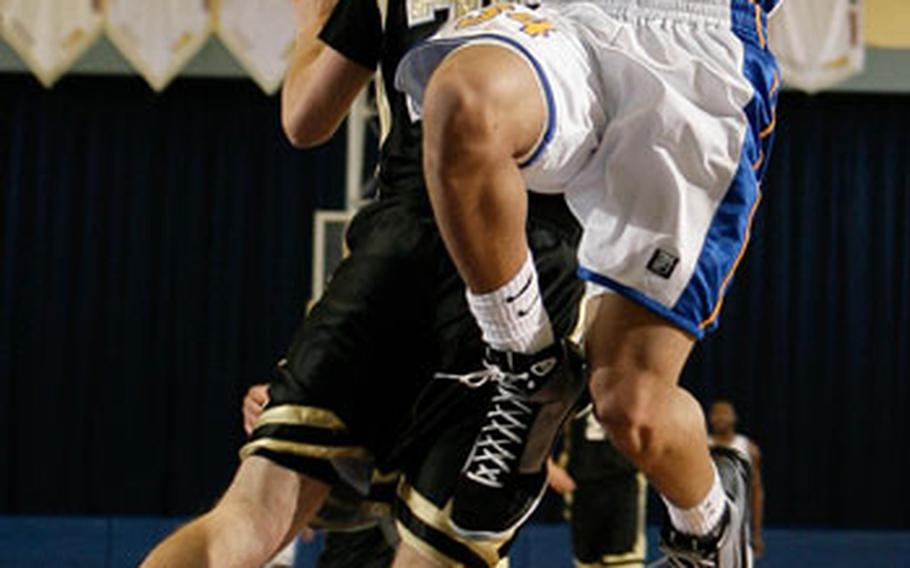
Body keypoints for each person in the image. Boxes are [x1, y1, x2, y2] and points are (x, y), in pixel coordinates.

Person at [141, 0, 584, 566]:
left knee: (249, 513)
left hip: (402, 239)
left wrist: (311, 29)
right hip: (526, 256)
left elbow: (304, 119)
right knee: (436, 550)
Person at [395, 0, 781, 564]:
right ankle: (528, 367)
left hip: (694, 42)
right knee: (463, 100)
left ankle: (709, 526)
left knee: (630, 406)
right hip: (565, 18)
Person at [548, 409, 647, 568]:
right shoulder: (571, 386)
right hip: (580, 483)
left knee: (624, 558)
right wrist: (549, 466)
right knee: (586, 560)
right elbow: (545, 418)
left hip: (624, 480)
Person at [708, 400, 766, 559]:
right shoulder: (702, 446)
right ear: (710, 418)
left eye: (725, 413)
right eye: (716, 413)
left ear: (734, 417)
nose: (720, 418)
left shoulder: (748, 448)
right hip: (707, 524)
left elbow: (756, 491)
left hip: (738, 526)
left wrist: (757, 532)